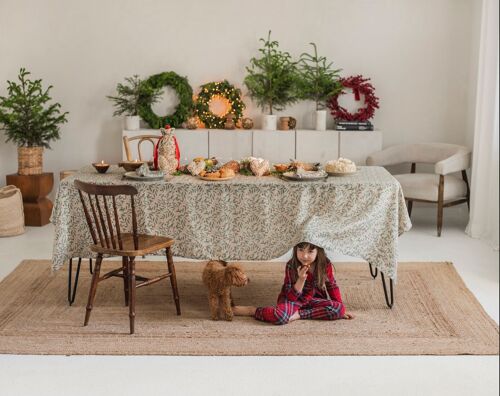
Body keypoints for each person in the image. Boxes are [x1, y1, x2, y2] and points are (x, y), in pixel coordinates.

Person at [233, 242, 354, 324]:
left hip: (313, 301)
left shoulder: (324, 264)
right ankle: (252, 310)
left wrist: (341, 309)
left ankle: (299, 314)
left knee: (338, 308)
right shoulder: (291, 265)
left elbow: (332, 286)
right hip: (293, 299)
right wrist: (301, 279)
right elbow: (290, 297)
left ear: (319, 251)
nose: (305, 256)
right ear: (295, 249)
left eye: (310, 251)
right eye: (301, 250)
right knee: (280, 317)